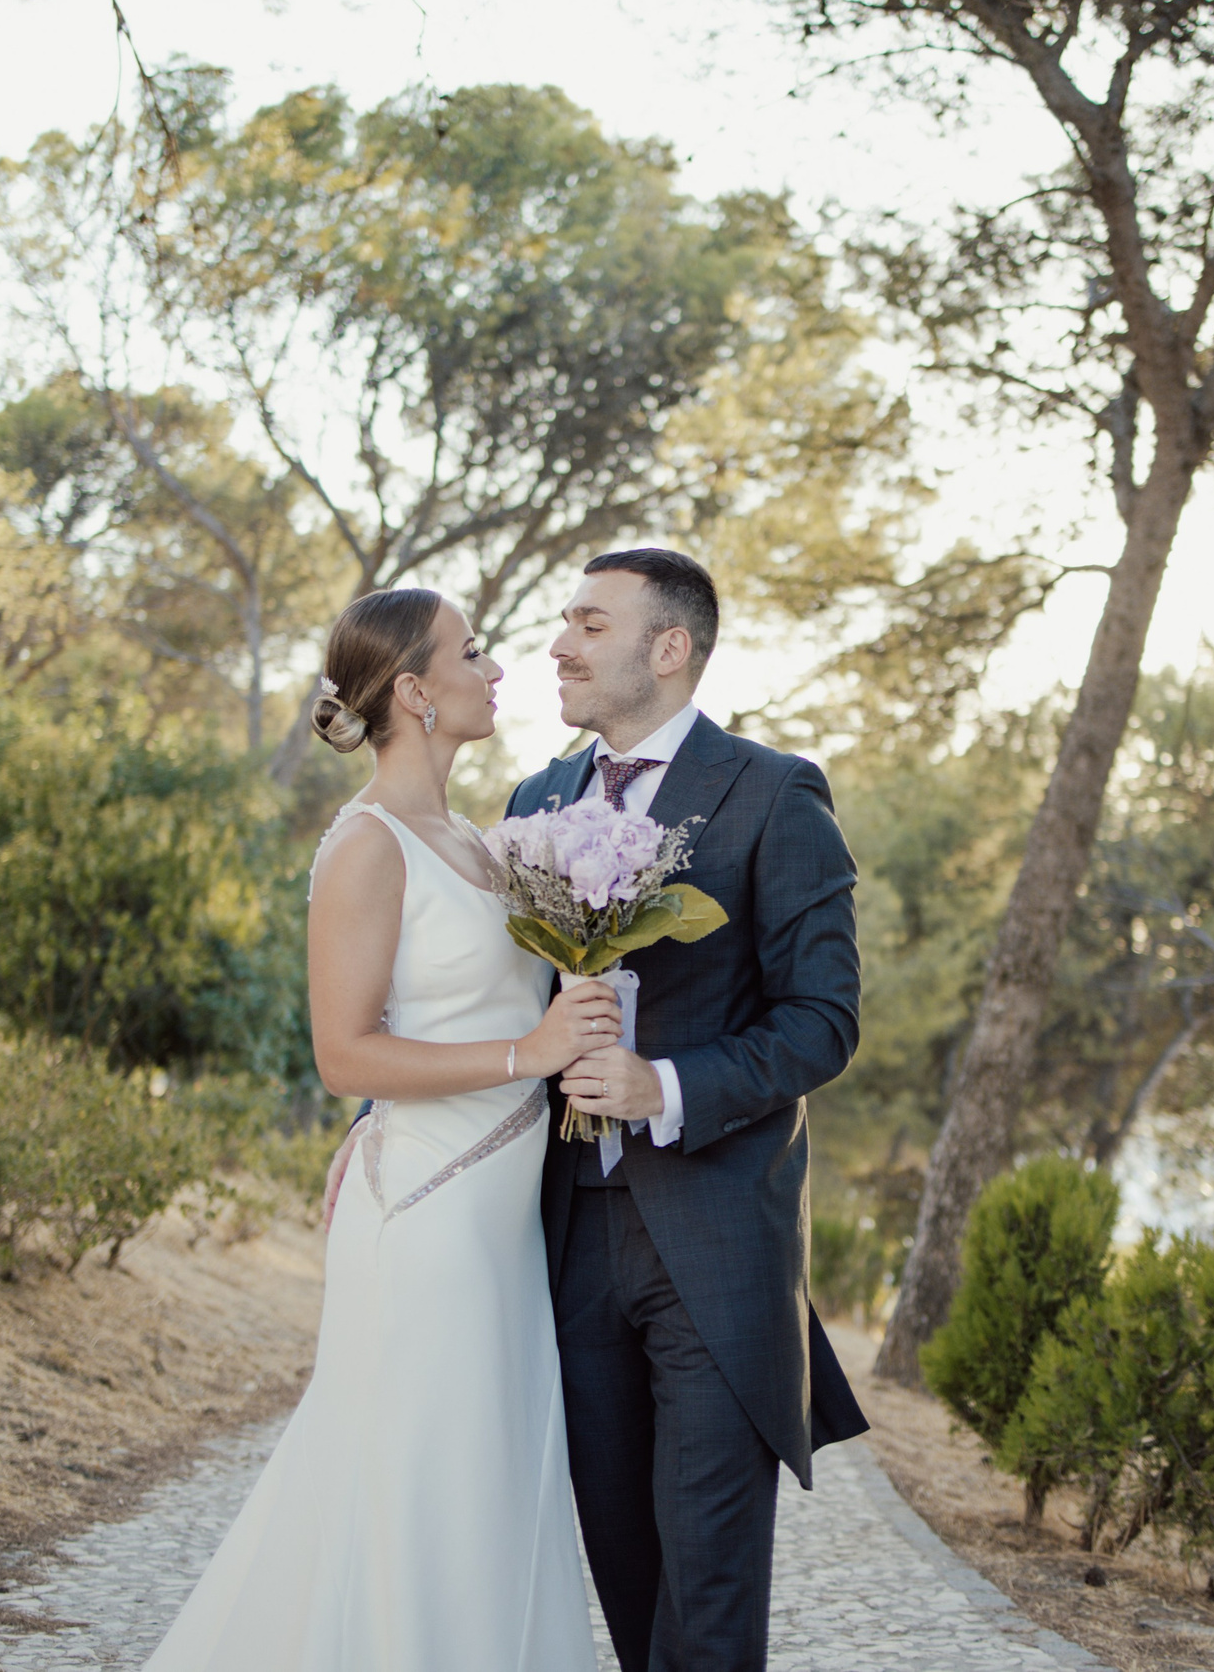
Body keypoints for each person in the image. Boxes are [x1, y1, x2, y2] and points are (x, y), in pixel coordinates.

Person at [322, 549, 868, 1672]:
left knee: (707, 1589)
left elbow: (823, 1021)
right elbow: (447, 998)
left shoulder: (772, 793)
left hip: (710, 1248)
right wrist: (373, 1127)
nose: (556, 645)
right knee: (621, 1571)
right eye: (560, 619)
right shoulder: (530, 804)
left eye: (588, 623)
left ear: (668, 650)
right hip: (554, 1246)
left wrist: (664, 1086)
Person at [143, 586, 617, 1672]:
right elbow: (344, 1052)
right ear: (413, 690)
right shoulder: (364, 846)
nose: (498, 669)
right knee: (416, 1490)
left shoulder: (483, 840)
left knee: (491, 1487)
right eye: (472, 652)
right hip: (427, 1220)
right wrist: (527, 1058)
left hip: (503, 1227)